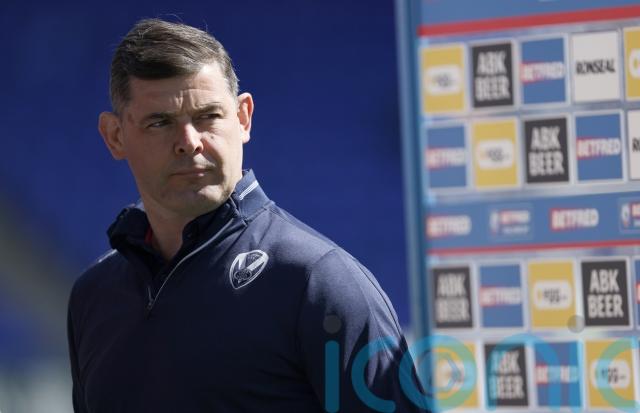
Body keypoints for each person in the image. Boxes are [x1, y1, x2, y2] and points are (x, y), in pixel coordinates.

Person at [67, 18, 427, 413]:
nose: (188, 142)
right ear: (115, 136)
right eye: (160, 122)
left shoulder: (319, 282)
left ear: (243, 118)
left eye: (207, 116)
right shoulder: (93, 297)